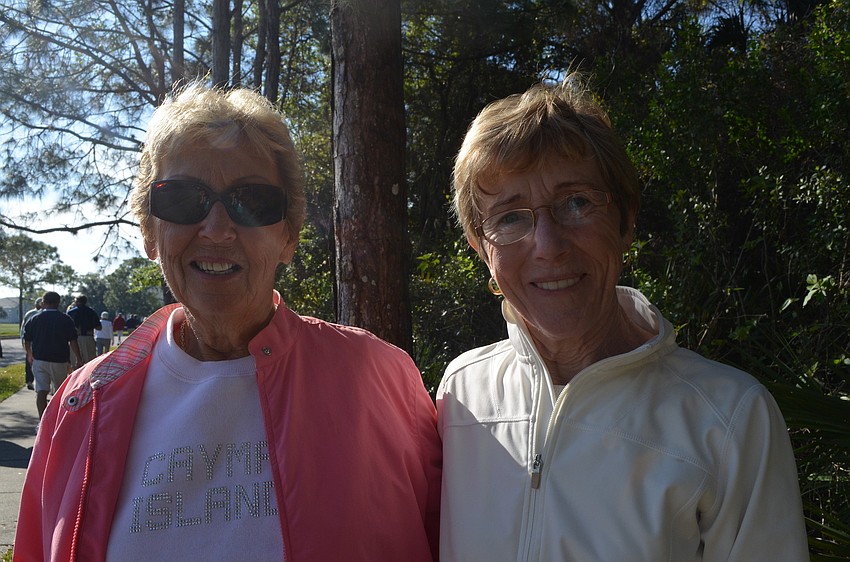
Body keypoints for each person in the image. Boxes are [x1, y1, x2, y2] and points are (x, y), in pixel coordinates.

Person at [15, 81, 441, 562]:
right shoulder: (81, 406)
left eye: (252, 201)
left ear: (288, 237)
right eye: (181, 199)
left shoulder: (378, 378)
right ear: (150, 233)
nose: (217, 229)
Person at [436, 74, 809, 561]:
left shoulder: (729, 420)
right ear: (481, 248)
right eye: (510, 217)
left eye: (576, 203)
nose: (548, 246)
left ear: (625, 219)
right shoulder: (461, 393)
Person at [22, 292, 82, 419]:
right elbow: (73, 340)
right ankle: (58, 419)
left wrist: (29, 354)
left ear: (43, 302)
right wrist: (78, 358)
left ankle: (42, 421)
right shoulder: (65, 319)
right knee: (60, 392)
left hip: (40, 359)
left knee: (41, 391)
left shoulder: (34, 318)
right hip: (59, 360)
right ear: (58, 303)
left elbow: (26, 339)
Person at [67, 295, 102, 364]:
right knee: (89, 362)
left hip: (74, 339)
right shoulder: (91, 312)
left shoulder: (70, 313)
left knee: (75, 362)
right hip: (88, 337)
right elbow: (99, 327)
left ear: (77, 302)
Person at [20, 297, 43, 390]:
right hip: (32, 341)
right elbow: (23, 328)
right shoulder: (30, 314)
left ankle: (38, 382)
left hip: (39, 342)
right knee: (29, 361)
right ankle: (29, 381)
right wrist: (23, 340)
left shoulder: (43, 313)